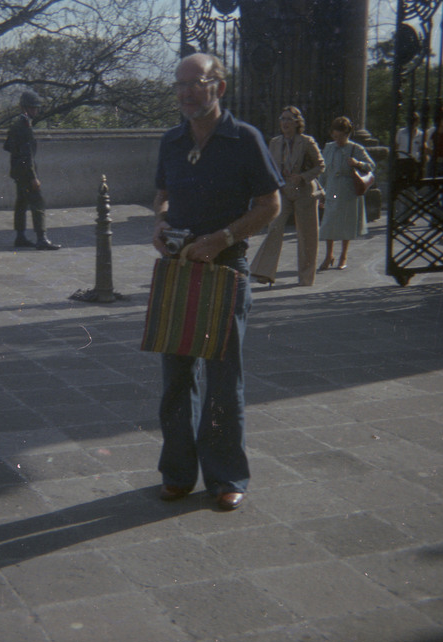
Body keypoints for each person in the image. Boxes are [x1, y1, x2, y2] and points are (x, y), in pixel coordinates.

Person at [152, 53, 282, 511]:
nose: (187, 92)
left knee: (224, 379)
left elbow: (270, 204)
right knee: (176, 377)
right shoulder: (171, 141)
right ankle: (178, 473)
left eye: (197, 82)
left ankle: (226, 476)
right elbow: (163, 196)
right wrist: (160, 224)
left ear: (219, 88)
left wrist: (222, 238)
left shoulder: (244, 139)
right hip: (180, 270)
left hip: (226, 268)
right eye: (180, 84)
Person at [250, 106, 324, 286]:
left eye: (289, 119)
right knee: (274, 228)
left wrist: (303, 177)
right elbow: (269, 166)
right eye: (282, 119)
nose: (285, 123)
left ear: (297, 122)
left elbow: (320, 166)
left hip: (304, 191)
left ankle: (306, 277)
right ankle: (264, 272)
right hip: (282, 191)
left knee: (307, 234)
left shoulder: (307, 142)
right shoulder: (275, 142)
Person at [3, 90, 61, 250]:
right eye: (33, 108)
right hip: (26, 172)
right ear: (25, 108)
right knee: (37, 203)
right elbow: (27, 155)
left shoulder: (16, 125)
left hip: (17, 171)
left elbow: (7, 146)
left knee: (21, 204)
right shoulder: (25, 127)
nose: (36, 111)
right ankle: (41, 238)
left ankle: (20, 236)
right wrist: (33, 176)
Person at [318, 116, 375, 271]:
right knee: (328, 222)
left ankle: (343, 255)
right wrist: (320, 191)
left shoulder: (355, 148)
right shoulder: (329, 147)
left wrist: (357, 163)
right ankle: (329, 255)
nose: (338, 140)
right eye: (335, 136)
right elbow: (323, 171)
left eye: (341, 136)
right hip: (332, 189)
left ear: (347, 134)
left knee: (346, 223)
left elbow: (371, 166)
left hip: (348, 190)